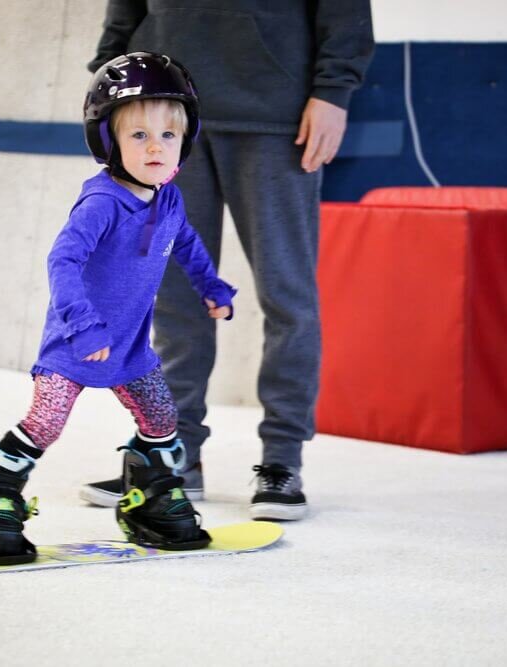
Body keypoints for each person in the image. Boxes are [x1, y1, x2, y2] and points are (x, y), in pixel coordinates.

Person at [80, 1, 375, 520]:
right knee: (173, 298)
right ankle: (174, 454)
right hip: (163, 113)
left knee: (286, 296)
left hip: (276, 114)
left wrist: (333, 91)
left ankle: (282, 461)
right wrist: (111, 75)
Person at [0, 52, 237, 565]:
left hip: (129, 347)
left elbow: (186, 243)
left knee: (162, 418)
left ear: (184, 143)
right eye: (139, 136)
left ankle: (148, 493)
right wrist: (83, 328)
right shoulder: (103, 202)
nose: (155, 147)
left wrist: (211, 287)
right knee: (46, 424)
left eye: (168, 136)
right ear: (109, 142)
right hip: (76, 342)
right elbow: (62, 260)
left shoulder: (167, 200)